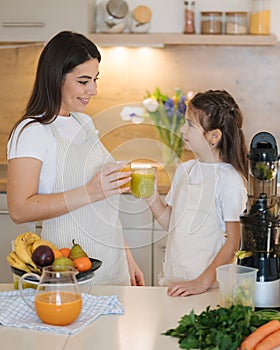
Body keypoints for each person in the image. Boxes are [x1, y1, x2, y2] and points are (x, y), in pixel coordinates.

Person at [7, 31, 144, 286]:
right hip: (70, 274)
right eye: (83, 81)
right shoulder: (32, 131)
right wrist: (90, 192)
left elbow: (105, 208)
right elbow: (19, 209)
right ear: (55, 78)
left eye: (95, 79)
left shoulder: (84, 121)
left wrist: (127, 258)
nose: (93, 90)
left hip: (113, 269)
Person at [147, 89, 248, 296]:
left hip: (209, 288)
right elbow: (172, 224)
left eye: (190, 125)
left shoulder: (229, 180)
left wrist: (201, 283)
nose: (183, 130)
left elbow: (234, 240)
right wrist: (152, 198)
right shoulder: (185, 170)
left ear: (214, 136)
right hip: (174, 282)